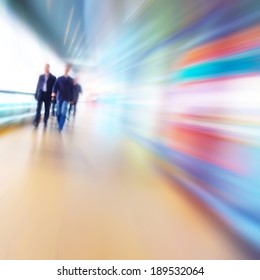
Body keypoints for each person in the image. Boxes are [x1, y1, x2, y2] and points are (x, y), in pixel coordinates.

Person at [33, 64, 56, 128]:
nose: (46, 68)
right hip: (41, 94)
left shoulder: (53, 78)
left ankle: (45, 121)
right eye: (45, 67)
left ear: (49, 68)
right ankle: (36, 122)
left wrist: (53, 97)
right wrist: (36, 94)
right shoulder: (41, 76)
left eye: (47, 67)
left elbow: (54, 88)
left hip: (48, 95)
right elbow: (38, 86)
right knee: (38, 109)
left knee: (47, 109)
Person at [52, 63, 73, 132]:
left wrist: (72, 99)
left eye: (68, 68)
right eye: (66, 68)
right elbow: (55, 87)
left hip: (66, 99)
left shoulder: (70, 80)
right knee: (58, 112)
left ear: (69, 70)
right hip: (59, 98)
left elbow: (72, 89)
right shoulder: (59, 78)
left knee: (63, 112)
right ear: (64, 69)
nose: (66, 69)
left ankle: (60, 126)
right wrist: (53, 95)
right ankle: (59, 123)